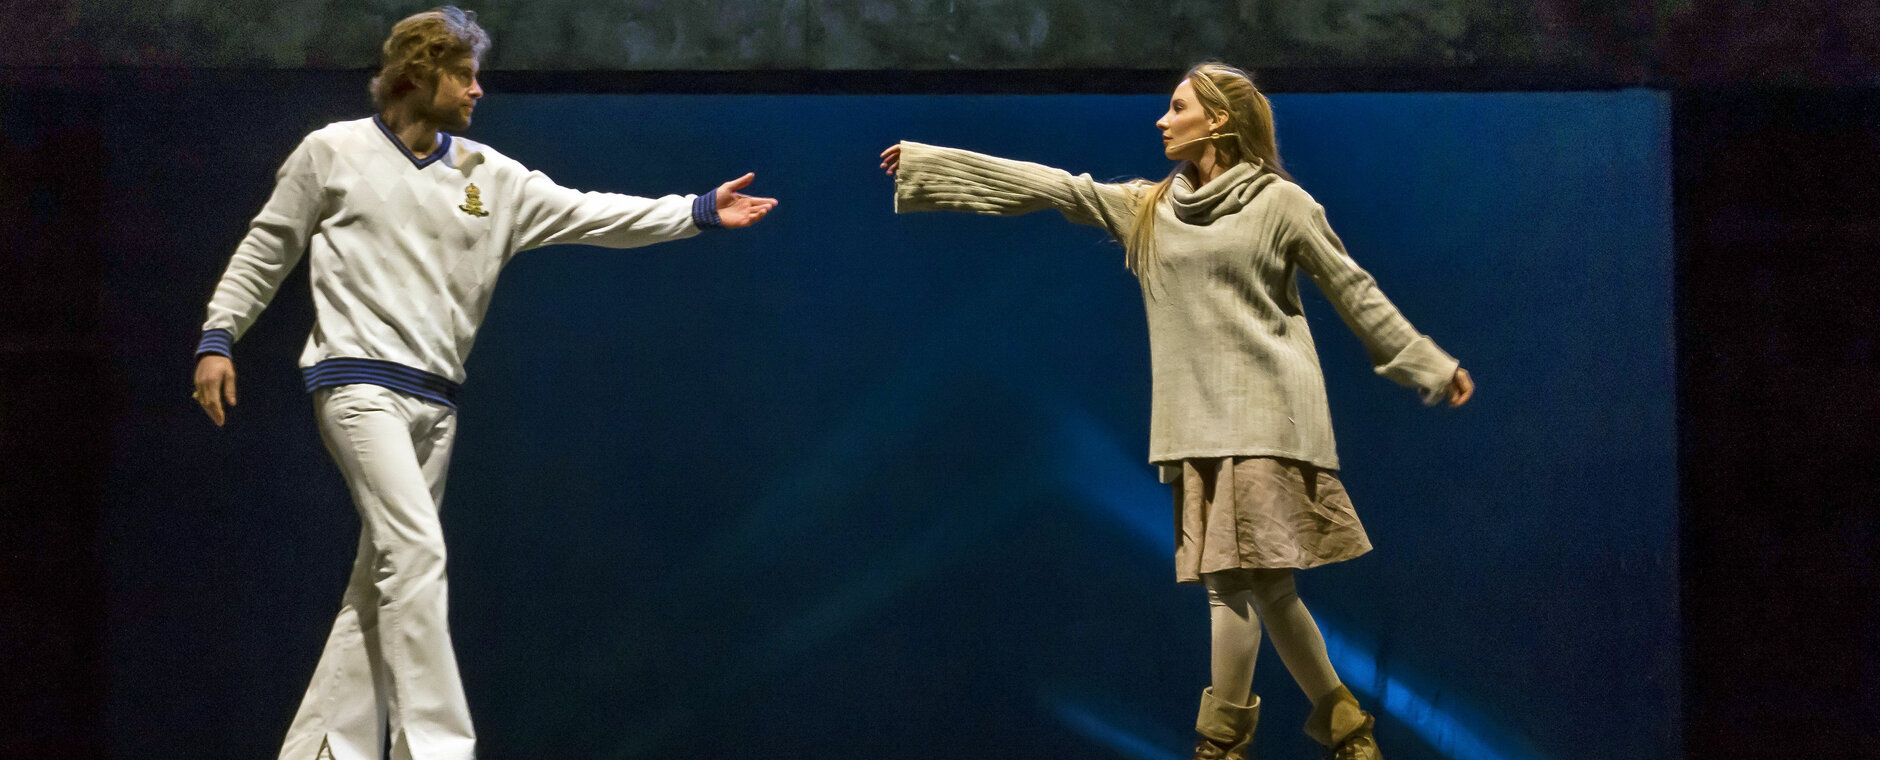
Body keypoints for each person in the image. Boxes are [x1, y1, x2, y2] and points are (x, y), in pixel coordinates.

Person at [188, 7, 777, 759]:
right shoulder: (332, 151)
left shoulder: (490, 176)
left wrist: (695, 212)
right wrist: (219, 336)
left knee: (381, 579)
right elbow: (267, 247)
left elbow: (591, 213)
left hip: (437, 402)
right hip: (359, 387)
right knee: (418, 554)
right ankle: (436, 747)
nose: (477, 90)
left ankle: (322, 749)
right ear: (417, 75)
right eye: (463, 75)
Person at [881, 62, 1472, 760]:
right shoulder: (1150, 209)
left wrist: (1428, 365)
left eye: (1178, 107)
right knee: (1268, 588)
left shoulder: (1282, 204)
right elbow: (1055, 187)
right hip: (1196, 425)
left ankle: (1221, 744)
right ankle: (1347, 729)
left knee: (1230, 585)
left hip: (1266, 415)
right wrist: (933, 167)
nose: (1162, 120)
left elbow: (1353, 288)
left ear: (1218, 119)